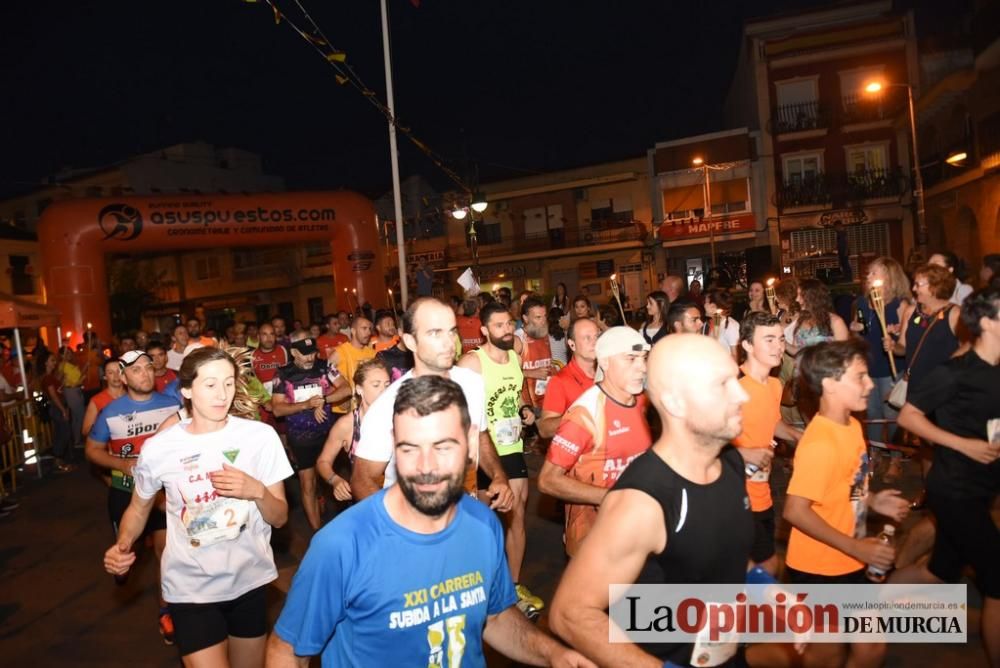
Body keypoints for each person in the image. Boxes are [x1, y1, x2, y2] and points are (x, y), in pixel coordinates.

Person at [267, 376, 592, 667]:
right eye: (409, 449)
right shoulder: (342, 544)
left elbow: (494, 617)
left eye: (442, 446)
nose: (426, 467)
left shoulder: (483, 523)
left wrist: (553, 654)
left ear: (469, 443)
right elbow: (287, 651)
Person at [548, 334, 753, 666]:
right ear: (674, 402)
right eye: (722, 384)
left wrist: (764, 587)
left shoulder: (731, 463)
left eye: (737, 379)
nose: (742, 395)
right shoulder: (642, 502)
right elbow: (570, 613)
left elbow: (722, 557)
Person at [104, 347, 293, 667]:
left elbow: (280, 517)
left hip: (249, 580)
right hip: (190, 587)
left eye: (229, 382)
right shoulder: (160, 447)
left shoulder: (261, 437)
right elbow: (138, 509)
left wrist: (256, 491)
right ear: (187, 390)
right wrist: (122, 545)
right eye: (210, 384)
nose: (222, 394)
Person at [782, 340, 910, 668]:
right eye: (860, 377)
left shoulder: (851, 425)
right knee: (826, 657)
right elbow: (795, 510)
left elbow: (847, 485)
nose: (870, 384)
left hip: (849, 560)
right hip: (819, 570)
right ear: (829, 383)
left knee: (870, 648)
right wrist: (855, 548)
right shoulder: (820, 443)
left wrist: (873, 499)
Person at [890, 287, 1000, 666]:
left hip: (982, 486)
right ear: (986, 322)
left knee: (940, 572)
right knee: (997, 581)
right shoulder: (957, 371)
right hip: (954, 488)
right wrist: (962, 444)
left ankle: (871, 601)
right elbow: (908, 417)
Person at [351, 298, 514, 512]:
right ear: (410, 341)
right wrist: (400, 526)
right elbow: (362, 480)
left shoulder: (472, 383)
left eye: (451, 331)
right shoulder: (389, 404)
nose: (449, 342)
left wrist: (498, 476)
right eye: (435, 333)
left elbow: (480, 436)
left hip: (465, 515)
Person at [86, 350, 181, 643]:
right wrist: (122, 464)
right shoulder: (111, 412)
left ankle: (166, 611)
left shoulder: (173, 404)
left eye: (148, 368)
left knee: (166, 554)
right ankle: (122, 566)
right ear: (124, 377)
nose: (146, 374)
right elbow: (92, 450)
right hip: (126, 495)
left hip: (164, 496)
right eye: (137, 370)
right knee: (128, 553)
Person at [459, 302, 543, 617]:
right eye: (499, 326)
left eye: (509, 324)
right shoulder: (472, 364)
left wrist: (524, 409)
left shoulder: (514, 359)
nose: (506, 330)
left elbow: (518, 392)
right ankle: (484, 585)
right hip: (483, 452)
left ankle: (514, 585)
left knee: (517, 511)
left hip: (512, 446)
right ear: (484, 330)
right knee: (484, 522)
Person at [538, 327, 652, 556]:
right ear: (606, 362)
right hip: (595, 541)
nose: (642, 367)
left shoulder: (643, 401)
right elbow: (547, 481)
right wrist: (609, 497)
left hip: (637, 532)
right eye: (631, 359)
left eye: (643, 358)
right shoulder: (586, 414)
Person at [733, 312, 802, 575]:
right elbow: (703, 445)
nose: (779, 347)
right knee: (767, 565)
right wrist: (743, 454)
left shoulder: (774, 385)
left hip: (763, 491)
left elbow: (771, 422)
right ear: (747, 345)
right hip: (735, 495)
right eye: (769, 340)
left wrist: (798, 436)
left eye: (781, 339)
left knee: (760, 566)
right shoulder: (733, 388)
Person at [271, 338, 350, 530]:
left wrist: (324, 399)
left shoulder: (325, 366)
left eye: (313, 352)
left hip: (327, 434)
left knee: (332, 478)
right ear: (294, 353)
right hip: (300, 437)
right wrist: (306, 405)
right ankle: (317, 531)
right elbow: (277, 410)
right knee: (308, 483)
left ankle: (341, 523)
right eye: (305, 353)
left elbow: (347, 388)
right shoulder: (283, 373)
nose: (310, 357)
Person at [850, 257, 910, 443]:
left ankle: (895, 457)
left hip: (889, 368)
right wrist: (855, 331)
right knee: (872, 412)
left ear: (889, 277)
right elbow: (859, 338)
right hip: (868, 367)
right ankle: (875, 451)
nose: (868, 276)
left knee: (891, 412)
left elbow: (906, 346)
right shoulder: (861, 303)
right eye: (869, 273)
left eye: (874, 273)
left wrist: (898, 333)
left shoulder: (900, 305)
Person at [315, 358, 390, 503]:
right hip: (366, 500)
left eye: (387, 385)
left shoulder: (399, 418)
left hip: (397, 498)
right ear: (359, 389)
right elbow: (323, 461)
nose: (384, 391)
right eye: (376, 385)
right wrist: (335, 480)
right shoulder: (347, 425)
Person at [537, 318, 599, 439]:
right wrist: (576, 416)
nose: (594, 342)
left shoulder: (609, 372)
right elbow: (544, 429)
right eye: (587, 338)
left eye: (597, 336)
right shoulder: (561, 381)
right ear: (572, 344)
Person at [515, 297, 554, 423]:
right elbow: (504, 373)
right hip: (527, 406)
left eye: (544, 316)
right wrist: (530, 373)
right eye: (538, 317)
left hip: (547, 400)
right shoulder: (518, 339)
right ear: (525, 318)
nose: (543, 321)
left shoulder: (545, 334)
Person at [40, 352, 74, 472]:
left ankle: (58, 460)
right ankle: (58, 461)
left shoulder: (50, 376)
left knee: (61, 433)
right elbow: (53, 395)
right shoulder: (48, 378)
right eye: (52, 360)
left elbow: (57, 389)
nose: (54, 363)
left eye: (54, 360)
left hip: (57, 407)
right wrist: (63, 409)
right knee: (64, 433)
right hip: (57, 407)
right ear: (45, 362)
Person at [81, 358, 126, 438]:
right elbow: (85, 431)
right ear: (105, 376)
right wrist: (102, 423)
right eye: (110, 373)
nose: (116, 376)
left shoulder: (133, 395)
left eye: (118, 371)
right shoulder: (96, 400)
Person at [57, 345, 86, 449]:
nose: (69, 355)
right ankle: (77, 440)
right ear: (61, 355)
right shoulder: (62, 365)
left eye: (69, 352)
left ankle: (76, 440)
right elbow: (60, 378)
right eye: (65, 353)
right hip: (71, 391)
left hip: (77, 390)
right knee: (80, 416)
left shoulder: (72, 364)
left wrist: (84, 369)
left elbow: (78, 379)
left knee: (76, 417)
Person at [703, 288, 739, 356]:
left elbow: (735, 355)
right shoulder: (709, 323)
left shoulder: (731, 326)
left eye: (706, 302)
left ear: (713, 306)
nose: (704, 305)